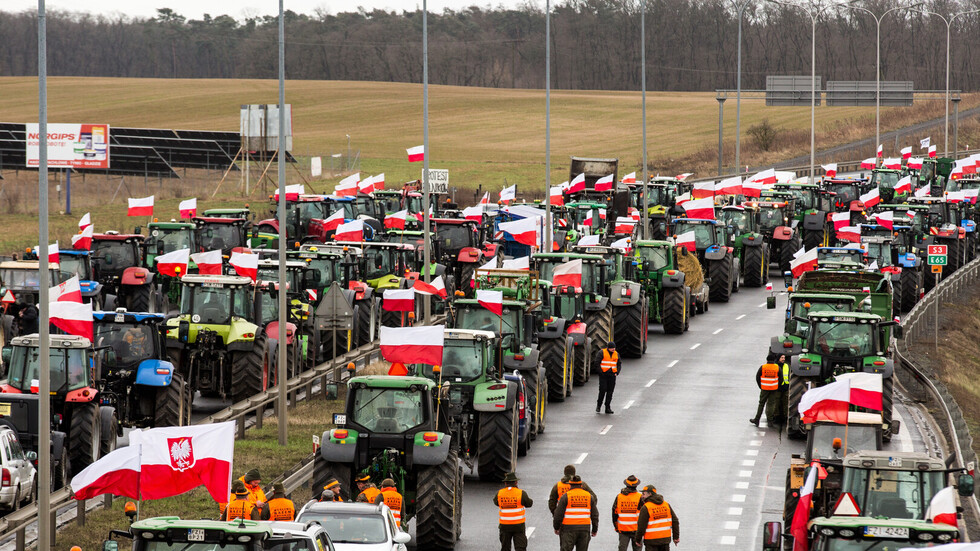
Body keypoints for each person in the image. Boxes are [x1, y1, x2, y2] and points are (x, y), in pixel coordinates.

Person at [552, 475, 598, 551]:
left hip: (568, 529)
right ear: (581, 485)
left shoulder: (565, 496)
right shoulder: (589, 496)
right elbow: (595, 515)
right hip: (584, 529)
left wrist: (556, 527)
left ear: (570, 485)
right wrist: (594, 529)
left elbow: (558, 514)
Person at [494, 472, 533, 551]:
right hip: (518, 526)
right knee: (520, 547)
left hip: (504, 526)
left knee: (505, 547)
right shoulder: (521, 493)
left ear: (505, 483)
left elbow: (496, 502)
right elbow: (529, 503)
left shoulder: (500, 493)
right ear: (516, 482)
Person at [634, 485, 679, 550]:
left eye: (643, 494)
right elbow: (675, 521)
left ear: (650, 494)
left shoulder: (646, 507)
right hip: (665, 540)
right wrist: (676, 537)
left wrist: (638, 540)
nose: (642, 496)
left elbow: (641, 526)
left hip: (651, 541)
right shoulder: (666, 504)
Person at [612, 476, 642, 551]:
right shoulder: (640, 497)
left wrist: (616, 526)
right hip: (637, 530)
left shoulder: (619, 497)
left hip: (623, 529)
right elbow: (645, 514)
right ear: (636, 485)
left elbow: (614, 513)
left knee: (622, 548)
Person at [750, 356, 780, 427]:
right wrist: (776, 386)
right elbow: (780, 378)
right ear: (774, 360)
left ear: (767, 360)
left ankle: (757, 420)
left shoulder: (763, 367)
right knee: (771, 404)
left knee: (761, 403)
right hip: (773, 389)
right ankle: (770, 421)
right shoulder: (777, 367)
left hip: (764, 389)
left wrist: (761, 386)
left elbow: (757, 377)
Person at [596, 341, 620, 414]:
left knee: (610, 392)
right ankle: (599, 406)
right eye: (612, 348)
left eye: (614, 348)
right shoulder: (601, 353)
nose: (613, 349)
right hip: (604, 375)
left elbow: (619, 364)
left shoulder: (616, 354)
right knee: (602, 390)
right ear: (608, 348)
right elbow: (597, 363)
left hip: (612, 375)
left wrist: (617, 372)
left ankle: (607, 407)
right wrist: (601, 373)